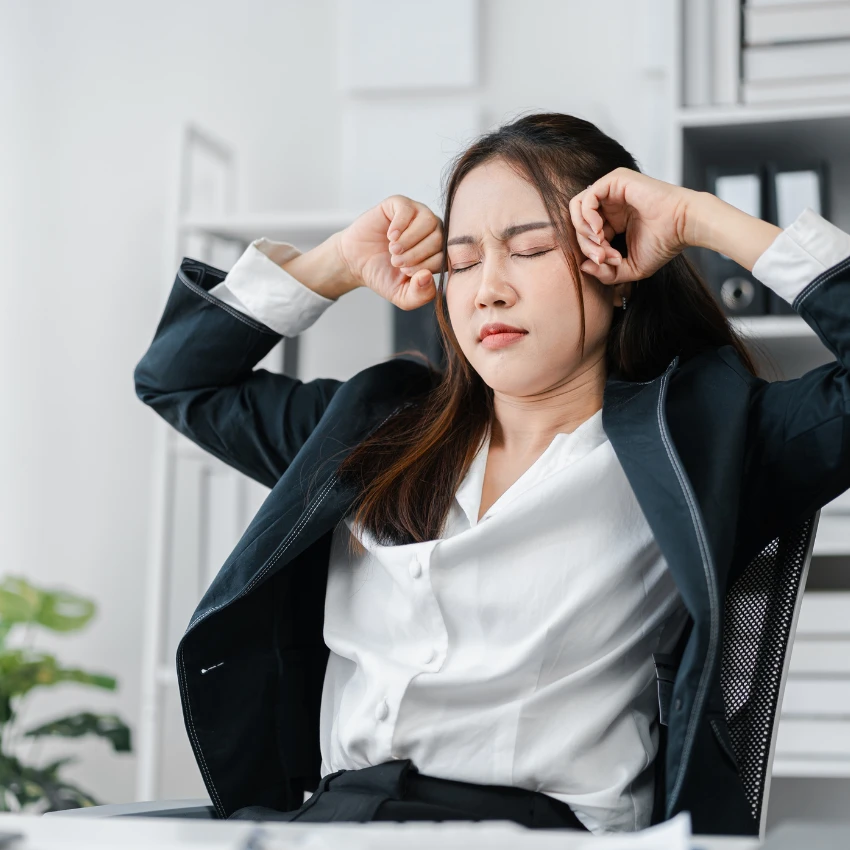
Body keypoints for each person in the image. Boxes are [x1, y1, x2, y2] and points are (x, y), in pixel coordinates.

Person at [134, 113, 850, 835]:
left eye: (531, 249)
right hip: (333, 819)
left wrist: (703, 218)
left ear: (621, 267)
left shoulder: (701, 440)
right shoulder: (376, 425)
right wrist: (338, 265)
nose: (488, 290)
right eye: (462, 260)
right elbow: (179, 381)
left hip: (528, 830)